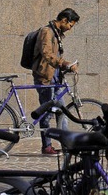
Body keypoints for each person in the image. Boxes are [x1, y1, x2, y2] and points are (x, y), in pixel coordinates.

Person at [32, 8, 80, 156]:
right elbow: (47, 54)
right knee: (47, 113)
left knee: (62, 111)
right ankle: (46, 146)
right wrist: (64, 63)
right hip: (45, 77)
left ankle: (66, 144)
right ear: (64, 20)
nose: (70, 28)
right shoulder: (47, 31)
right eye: (71, 25)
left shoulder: (57, 34)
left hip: (57, 77)